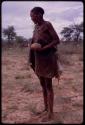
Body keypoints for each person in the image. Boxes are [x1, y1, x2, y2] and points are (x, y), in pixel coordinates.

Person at [29, 7, 60, 120]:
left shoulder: (47, 24)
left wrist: (44, 48)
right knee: (42, 84)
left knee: (48, 85)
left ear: (39, 15)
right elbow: (35, 41)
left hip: (47, 59)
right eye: (31, 16)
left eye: (32, 16)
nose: (31, 18)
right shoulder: (36, 27)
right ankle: (46, 109)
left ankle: (50, 114)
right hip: (38, 60)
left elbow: (56, 40)